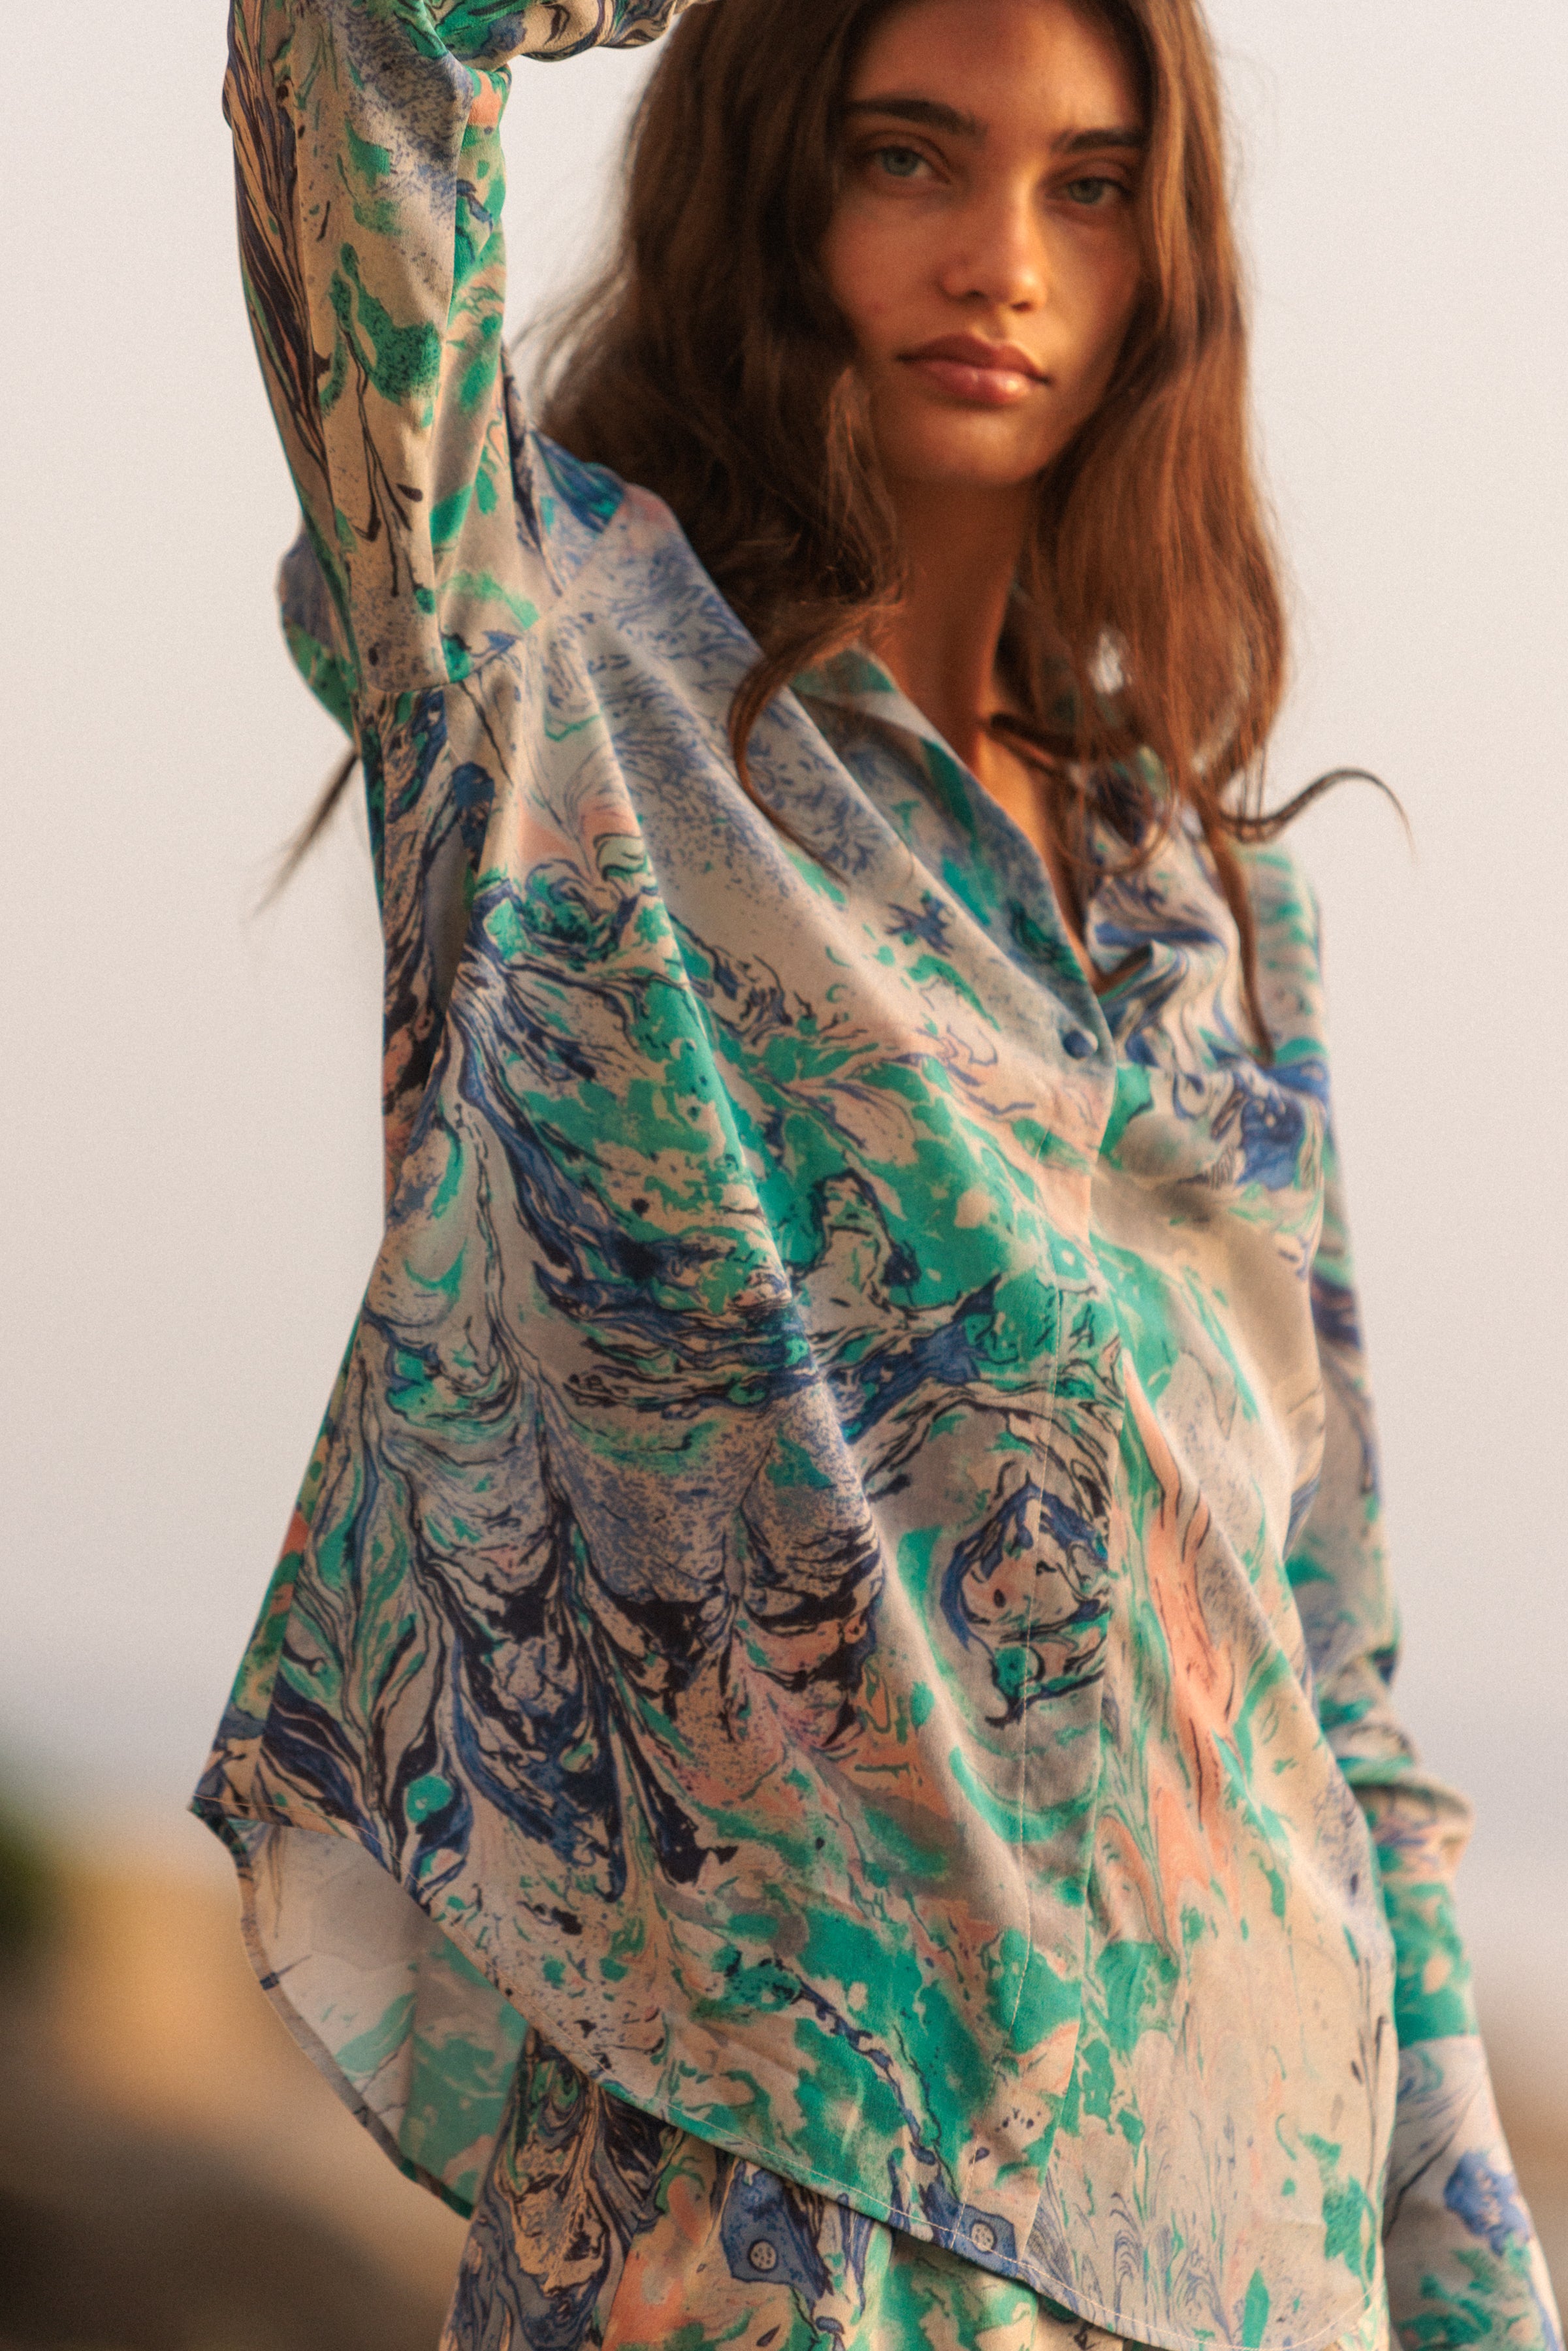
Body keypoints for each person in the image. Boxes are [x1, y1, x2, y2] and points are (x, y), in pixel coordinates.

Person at [195, 1, 1561, 2345]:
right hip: (762, 2226)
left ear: (1166, 261)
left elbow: (1325, 1706)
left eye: (1088, 184)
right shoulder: (561, 684)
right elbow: (344, 72)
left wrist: (1472, 2296)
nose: (1001, 258)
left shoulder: (1204, 919)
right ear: (769, 186)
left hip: (1247, 2257)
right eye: (908, 158)